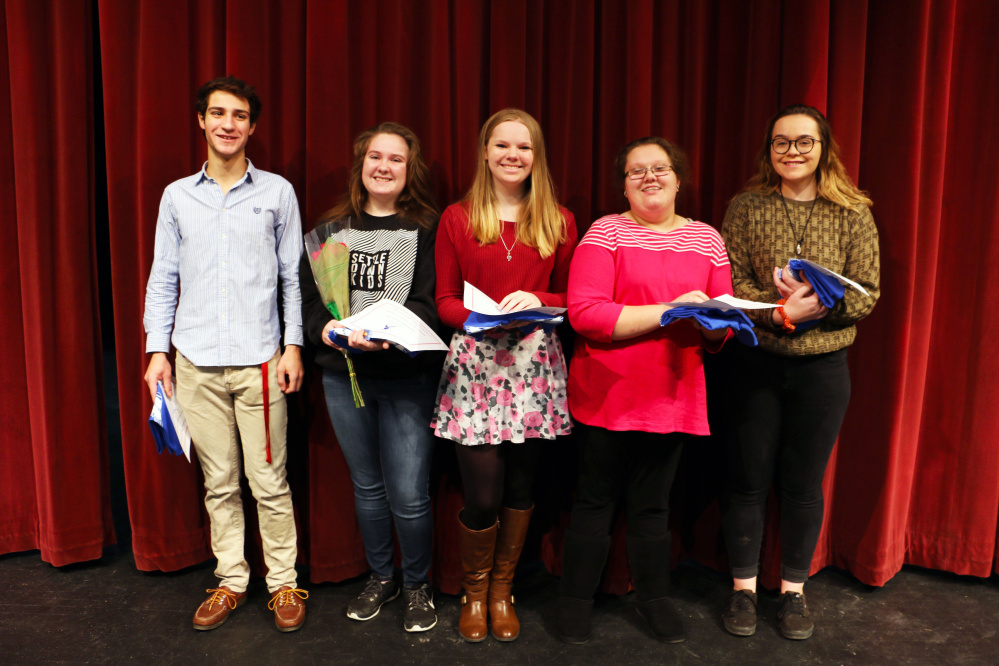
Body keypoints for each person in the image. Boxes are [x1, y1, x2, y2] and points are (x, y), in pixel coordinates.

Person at [143, 76, 308, 632]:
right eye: (218, 113)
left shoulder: (277, 193)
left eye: (239, 116)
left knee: (269, 481)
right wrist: (156, 351)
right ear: (201, 121)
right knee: (219, 482)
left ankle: (283, 583)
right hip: (192, 362)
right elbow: (163, 277)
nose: (228, 124)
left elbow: (292, 279)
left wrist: (292, 347)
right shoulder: (176, 196)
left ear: (252, 127)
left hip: (261, 361)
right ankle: (232, 579)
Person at [555, 137, 734, 645]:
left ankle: (654, 599)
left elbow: (720, 331)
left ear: (679, 178)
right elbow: (586, 314)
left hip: (672, 394)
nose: (650, 178)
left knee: (654, 508)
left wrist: (723, 320)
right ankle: (574, 602)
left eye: (661, 169)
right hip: (607, 392)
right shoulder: (606, 232)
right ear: (624, 184)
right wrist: (671, 310)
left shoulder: (707, 239)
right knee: (593, 504)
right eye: (637, 172)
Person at [720, 104, 880, 640]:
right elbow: (731, 285)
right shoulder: (745, 207)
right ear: (769, 150)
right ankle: (742, 591)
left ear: (823, 148)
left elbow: (868, 292)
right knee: (746, 481)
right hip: (755, 363)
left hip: (823, 367)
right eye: (781, 142)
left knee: (803, 484)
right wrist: (783, 309)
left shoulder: (853, 211)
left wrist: (820, 308)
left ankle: (793, 593)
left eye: (803, 142)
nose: (792, 151)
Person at [433, 108, 577, 642]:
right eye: (502, 146)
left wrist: (537, 298)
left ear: (536, 156)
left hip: (534, 368)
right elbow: (443, 300)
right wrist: (482, 315)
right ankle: (474, 591)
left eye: (524, 147)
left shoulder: (558, 219)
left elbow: (571, 298)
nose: (512, 156)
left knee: (521, 487)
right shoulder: (458, 216)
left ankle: (501, 591)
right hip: (475, 365)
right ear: (485, 153)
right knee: (483, 496)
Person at [299, 122, 443, 633]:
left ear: (410, 170)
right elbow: (311, 302)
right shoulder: (330, 229)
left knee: (409, 492)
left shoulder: (427, 227)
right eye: (375, 157)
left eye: (396, 160)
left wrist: (389, 336)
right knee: (367, 486)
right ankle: (381, 577)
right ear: (361, 164)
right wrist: (333, 331)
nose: (384, 167)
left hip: (406, 377)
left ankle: (417, 585)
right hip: (344, 375)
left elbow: (430, 303)